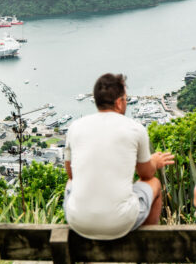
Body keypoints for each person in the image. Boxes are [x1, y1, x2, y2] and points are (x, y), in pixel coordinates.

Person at [63, 73, 175, 240]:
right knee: (154, 183)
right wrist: (155, 162)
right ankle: (148, 247)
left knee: (71, 183)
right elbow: (146, 175)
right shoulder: (136, 129)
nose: (126, 103)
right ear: (118, 102)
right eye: (126, 99)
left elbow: (71, 175)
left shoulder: (75, 127)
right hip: (120, 223)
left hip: (78, 221)